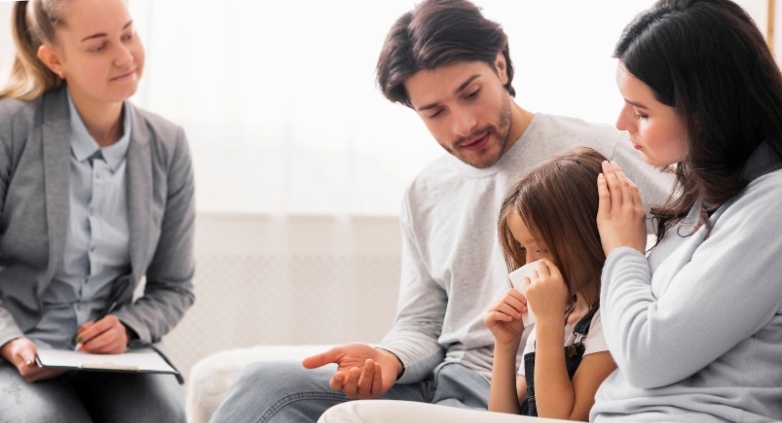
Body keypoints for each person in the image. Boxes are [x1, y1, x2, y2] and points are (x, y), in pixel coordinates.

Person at [209, 1, 671, 422]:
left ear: (500, 65)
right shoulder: (424, 193)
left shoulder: (597, 152)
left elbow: (692, 227)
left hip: (523, 387)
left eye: (471, 93)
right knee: (264, 384)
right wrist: (389, 359)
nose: (464, 124)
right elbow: (421, 322)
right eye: (435, 112)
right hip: (438, 379)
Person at [0, 0, 195, 421]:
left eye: (128, 34)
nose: (125, 57)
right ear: (55, 60)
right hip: (16, 348)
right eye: (98, 46)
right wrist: (10, 341)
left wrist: (127, 326)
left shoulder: (168, 144)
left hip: (116, 357)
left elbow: (174, 286)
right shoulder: (9, 128)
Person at [591, 0, 782, 420]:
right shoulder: (710, 194)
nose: (622, 123)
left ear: (705, 114)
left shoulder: (773, 206)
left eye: (641, 112)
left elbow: (646, 357)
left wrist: (623, 252)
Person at [486, 147, 616, 420]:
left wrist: (548, 322)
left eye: (542, 249)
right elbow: (501, 419)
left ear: (590, 233)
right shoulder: (561, 314)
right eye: (523, 249)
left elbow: (563, 419)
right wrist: (506, 345)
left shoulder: (611, 316)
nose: (529, 264)